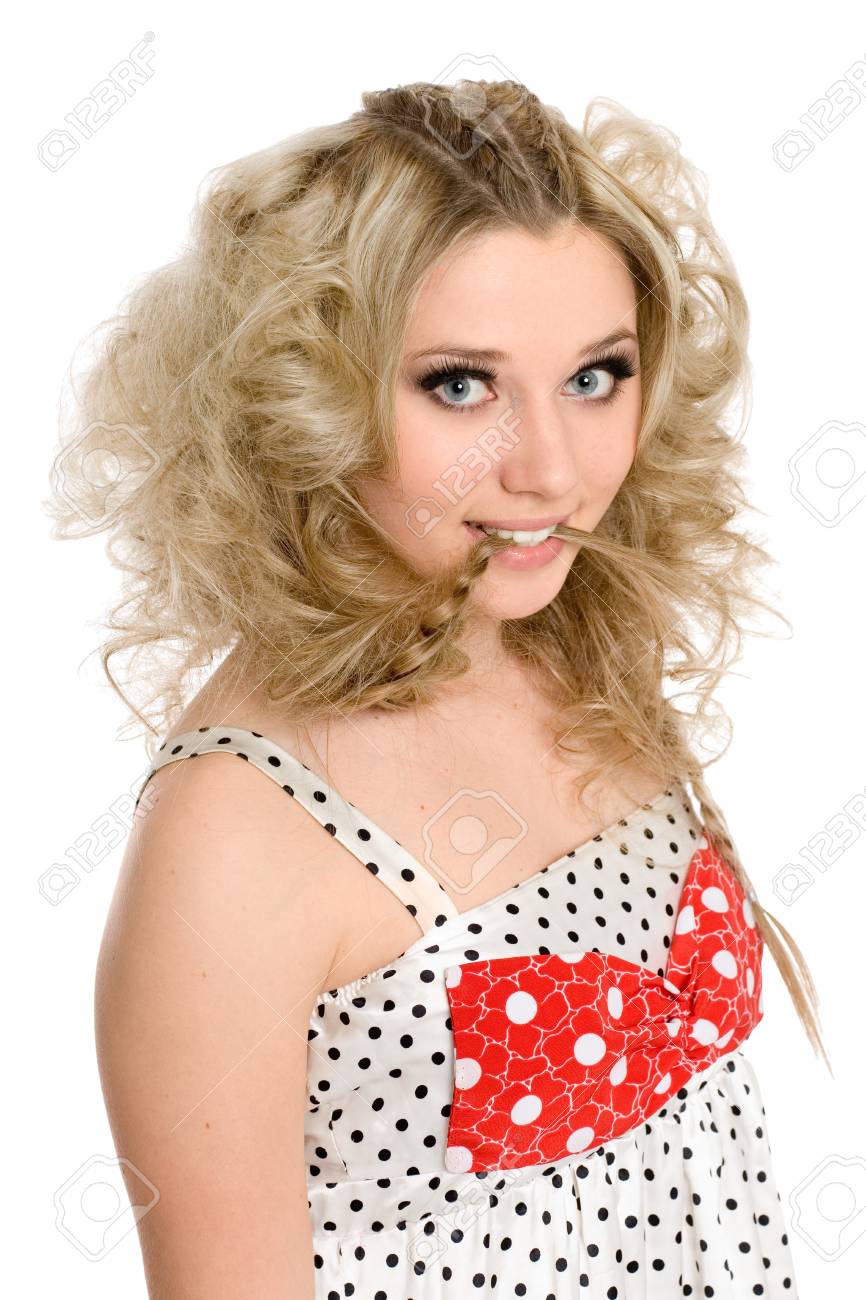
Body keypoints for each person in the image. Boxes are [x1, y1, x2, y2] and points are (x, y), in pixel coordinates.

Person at [48, 79, 826, 1298]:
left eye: (593, 376)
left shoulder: (569, 639)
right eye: (461, 385)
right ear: (309, 393)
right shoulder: (236, 833)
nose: (549, 470)